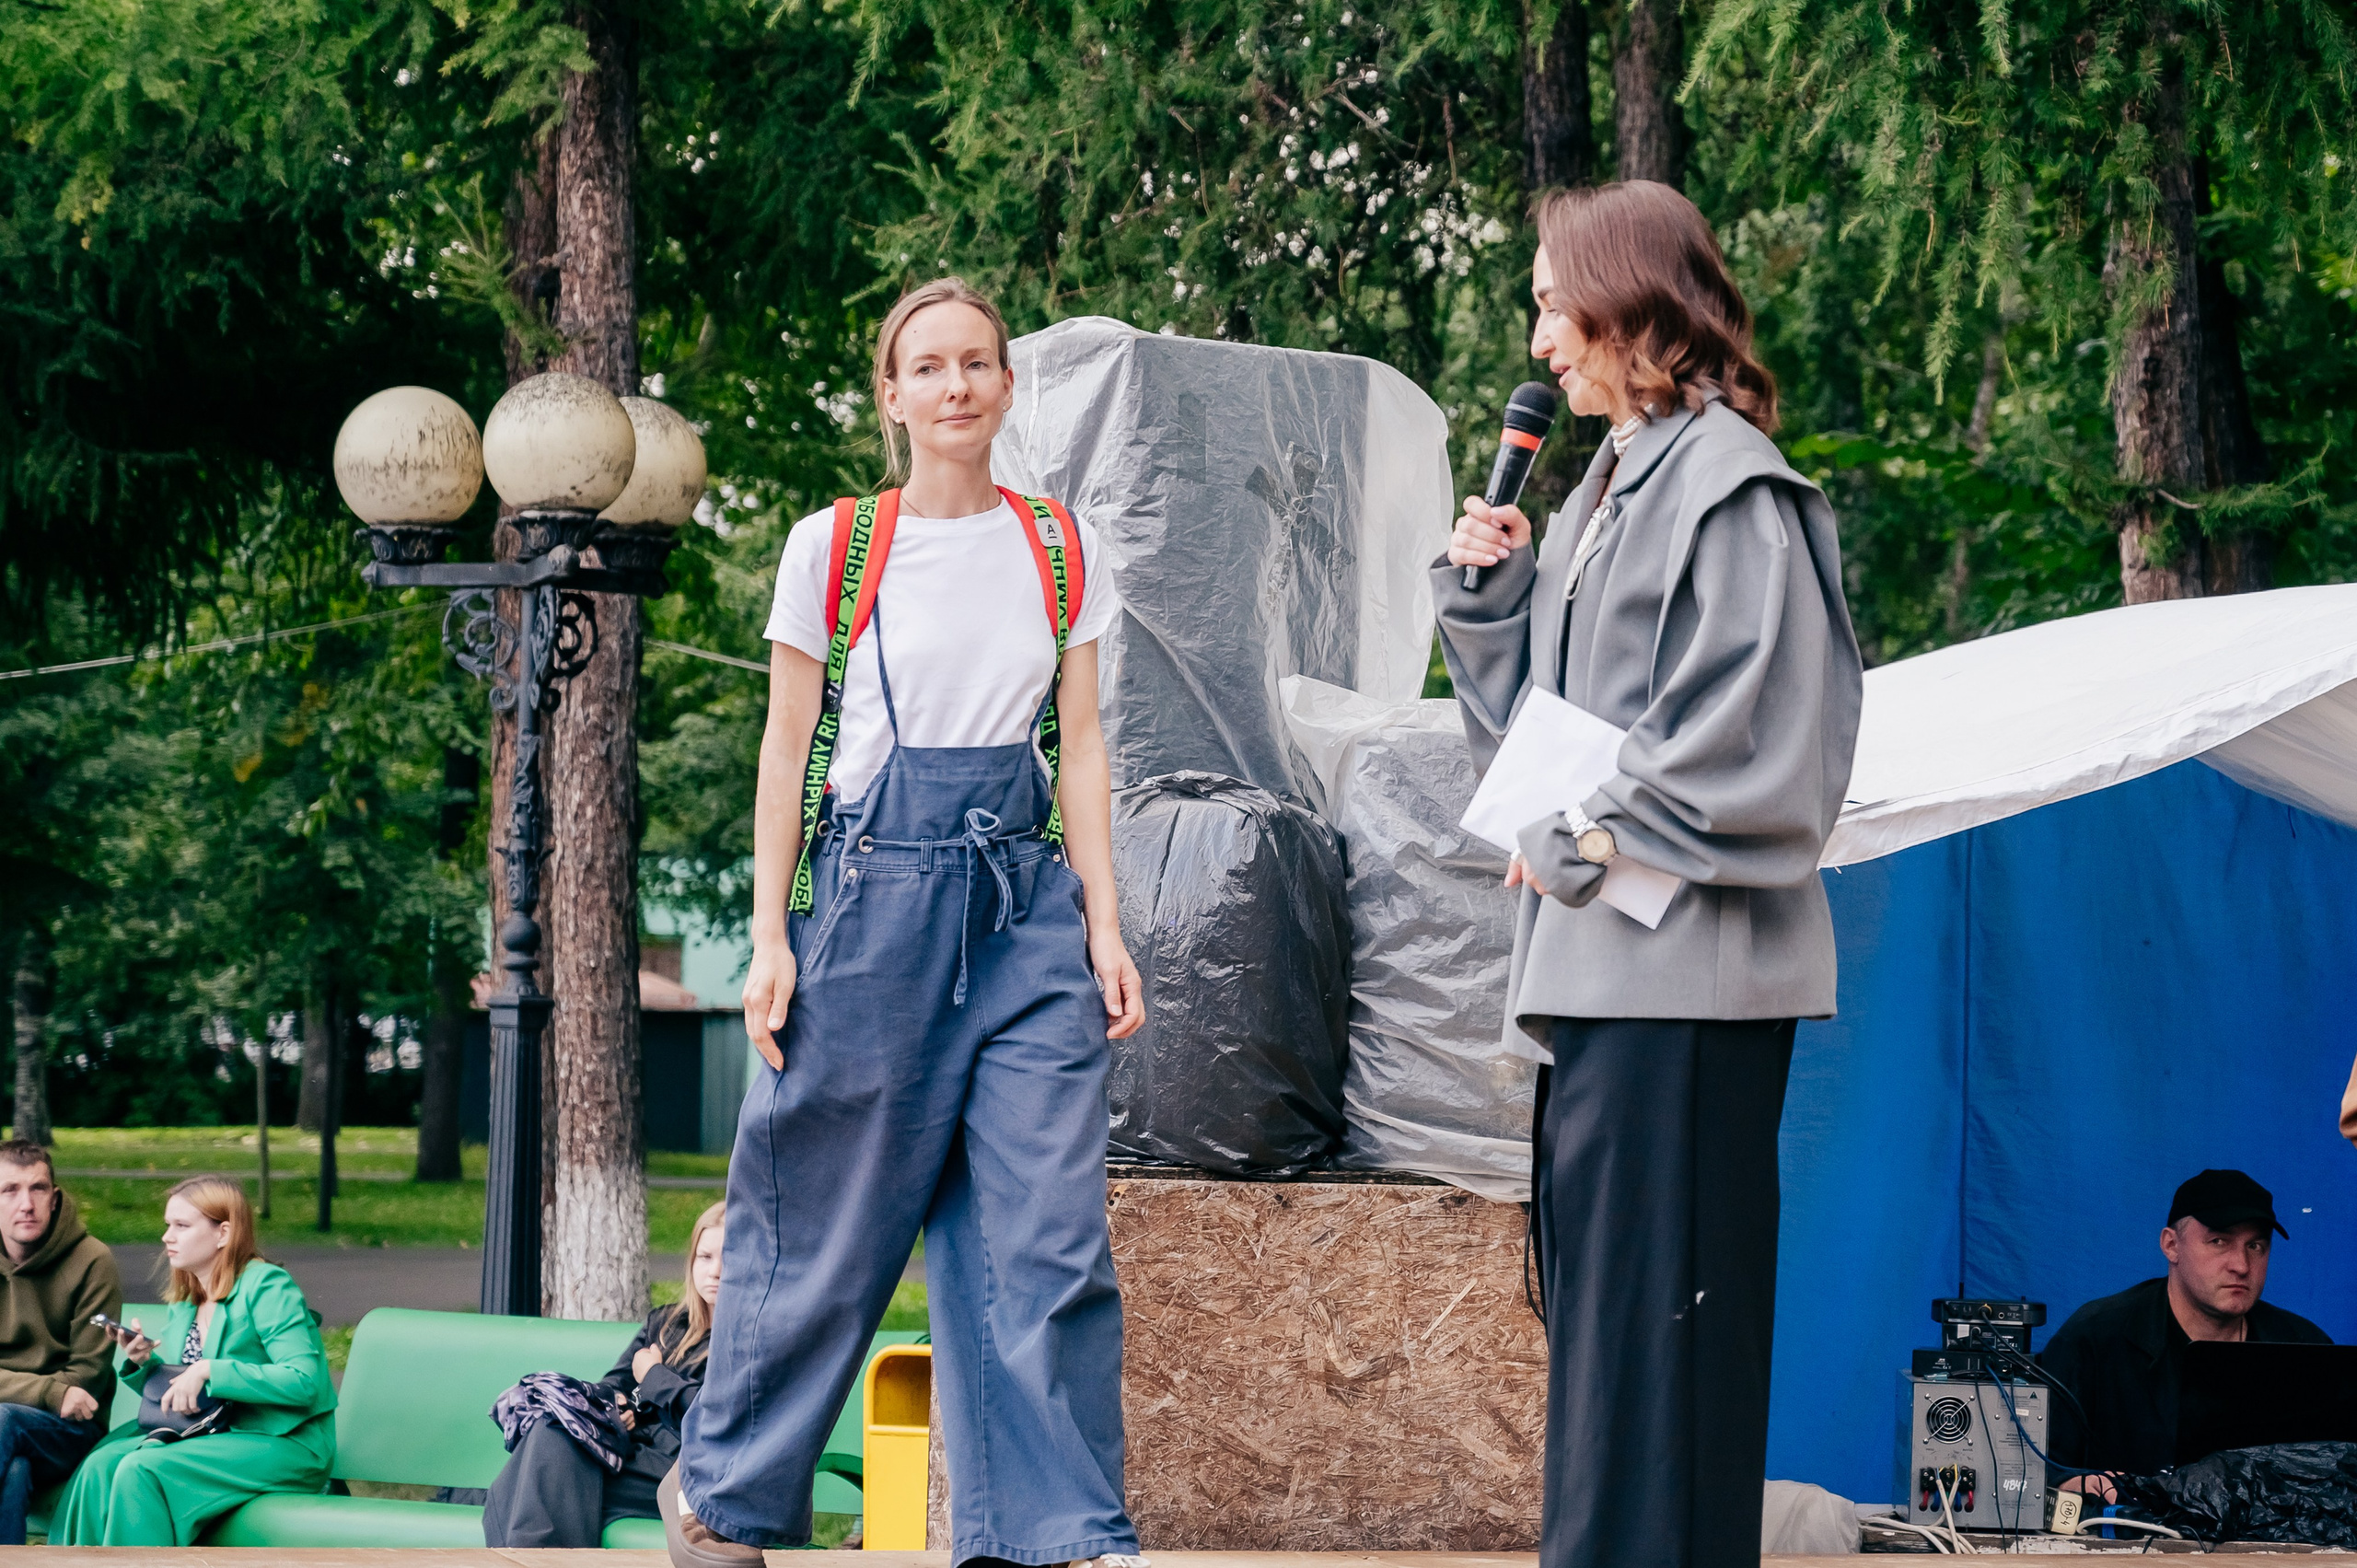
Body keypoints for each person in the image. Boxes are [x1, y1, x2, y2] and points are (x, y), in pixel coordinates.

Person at [666, 276, 1147, 1568]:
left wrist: (1105, 922)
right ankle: (723, 1494)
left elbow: (1086, 744)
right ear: (891, 394)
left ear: (1005, 383)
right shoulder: (835, 545)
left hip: (1026, 911)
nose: (954, 387)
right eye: (927, 367)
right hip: (872, 904)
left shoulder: (1062, 543)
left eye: (976, 364)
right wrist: (770, 934)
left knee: (1045, 1236)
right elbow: (784, 749)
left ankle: (1051, 1530)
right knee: (821, 1218)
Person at [1435, 180, 1863, 1568]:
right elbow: (1541, 739)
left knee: (1664, 1336)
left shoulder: (1732, 482)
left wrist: (1603, 831)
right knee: (1606, 1323)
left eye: (1556, 304)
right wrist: (1492, 598)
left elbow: (1761, 720)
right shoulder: (1608, 486)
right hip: (1602, 968)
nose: (1542, 340)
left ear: (1628, 302)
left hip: (1687, 982)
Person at [55, 1175, 335, 1545]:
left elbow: (303, 1381)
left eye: (181, 1226)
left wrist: (208, 1370)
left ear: (223, 1233)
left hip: (283, 1441)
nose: (166, 1237)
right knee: (99, 1467)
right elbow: (188, 1393)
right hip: (209, 1433)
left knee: (143, 1469)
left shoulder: (268, 1286)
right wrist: (144, 1362)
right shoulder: (189, 1299)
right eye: (168, 1225)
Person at [2041, 1168, 2331, 1485]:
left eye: (2256, 1246)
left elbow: (2334, 1478)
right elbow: (2035, 1471)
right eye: (2219, 1241)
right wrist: (2080, 1486)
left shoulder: (2304, 1349)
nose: (2241, 1265)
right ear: (2171, 1245)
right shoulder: (2095, 1338)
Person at [482, 1202, 726, 1547]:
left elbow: (713, 1416)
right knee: (553, 1429)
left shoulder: (747, 1342)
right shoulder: (668, 1322)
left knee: (542, 1474)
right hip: (633, 1453)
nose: (715, 1271)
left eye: (728, 1257)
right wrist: (617, 1405)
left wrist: (653, 1375)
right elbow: (613, 1384)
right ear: (692, 1262)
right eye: (705, 1257)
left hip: (688, 1474)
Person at [0, 1139, 120, 1544]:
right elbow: (62, 1390)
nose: (26, 1203)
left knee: (5, 1420)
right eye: (10, 1190)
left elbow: (86, 1380)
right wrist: (49, 1389)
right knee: (14, 1468)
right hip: (21, 1421)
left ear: (54, 1198)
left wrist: (47, 1396)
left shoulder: (91, 1260)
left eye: (37, 1188)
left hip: (69, 1429)